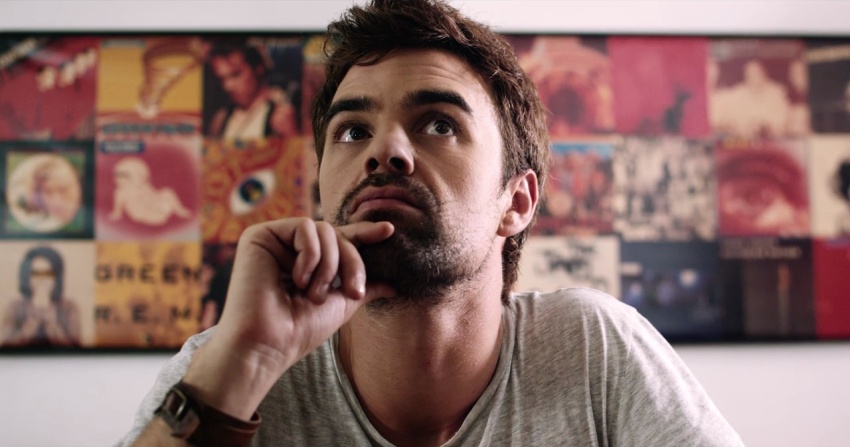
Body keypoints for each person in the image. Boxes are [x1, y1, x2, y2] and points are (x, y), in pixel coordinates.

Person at [120, 1, 744, 446]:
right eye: (352, 130)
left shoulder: (593, 349)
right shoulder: (226, 366)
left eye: (439, 123)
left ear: (517, 201)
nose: (383, 150)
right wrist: (245, 362)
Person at [205, 39, 297, 140]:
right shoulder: (220, 120)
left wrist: (291, 134)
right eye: (222, 79)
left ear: (258, 68)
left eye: (236, 75)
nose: (227, 86)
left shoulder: (284, 111)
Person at [1, 245, 80, 347]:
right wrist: (32, 321)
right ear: (26, 277)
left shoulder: (69, 308)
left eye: (48, 274)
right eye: (36, 274)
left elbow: (75, 346)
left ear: (57, 278)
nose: (42, 279)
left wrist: (51, 321)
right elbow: (6, 345)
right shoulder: (15, 308)